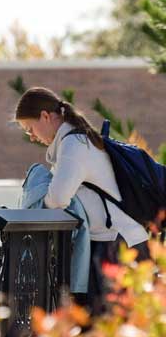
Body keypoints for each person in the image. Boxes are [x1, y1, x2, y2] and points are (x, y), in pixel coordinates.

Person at [14, 87, 148, 314]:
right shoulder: (75, 140)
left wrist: (36, 204)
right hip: (115, 240)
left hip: (116, 243)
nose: (32, 136)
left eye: (30, 128)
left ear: (46, 116)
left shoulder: (73, 145)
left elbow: (57, 199)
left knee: (105, 327)